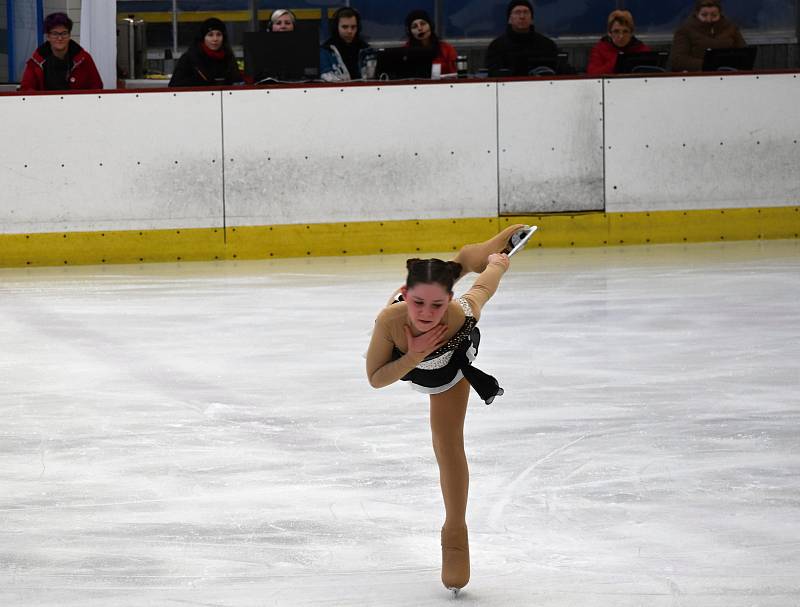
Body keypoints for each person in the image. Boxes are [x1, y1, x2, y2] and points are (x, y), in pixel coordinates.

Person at [366, 224, 532, 593]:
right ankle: (476, 251)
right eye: (418, 303)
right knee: (454, 264)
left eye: (436, 304)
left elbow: (483, 288)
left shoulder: (459, 315)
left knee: (446, 442)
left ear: (448, 301)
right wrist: (412, 356)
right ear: (405, 296)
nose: (426, 314)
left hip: (450, 365)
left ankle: (455, 528)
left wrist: (498, 264)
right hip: (410, 358)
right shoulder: (389, 321)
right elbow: (376, 378)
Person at [20, 12, 103, 92]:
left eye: (64, 33)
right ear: (48, 36)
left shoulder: (84, 58)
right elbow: (26, 89)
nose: (60, 38)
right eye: (55, 34)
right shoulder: (36, 60)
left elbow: (97, 86)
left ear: (69, 35)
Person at [486, 0, 560, 76]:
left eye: (526, 12)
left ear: (532, 19)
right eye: (517, 12)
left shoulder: (547, 45)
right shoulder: (496, 47)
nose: (522, 16)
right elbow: (492, 77)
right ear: (509, 19)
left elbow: (560, 72)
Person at [670, 0, 746, 72]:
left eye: (714, 15)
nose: (709, 19)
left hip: (729, 74)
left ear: (720, 14)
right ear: (697, 14)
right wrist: (708, 64)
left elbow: (744, 54)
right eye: (704, 15)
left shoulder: (731, 28)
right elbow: (677, 60)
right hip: (698, 76)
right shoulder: (685, 30)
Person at [169, 17, 243, 87]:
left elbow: (237, 81)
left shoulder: (228, 57)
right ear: (203, 38)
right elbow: (174, 85)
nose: (215, 39)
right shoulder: (189, 58)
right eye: (210, 35)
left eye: (219, 34)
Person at [587, 10, 652, 75]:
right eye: (616, 31)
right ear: (609, 33)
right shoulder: (599, 50)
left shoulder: (642, 50)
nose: (621, 36)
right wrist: (618, 60)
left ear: (631, 33)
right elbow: (592, 75)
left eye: (625, 31)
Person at [320, 7, 371, 82]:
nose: (350, 31)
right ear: (336, 27)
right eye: (345, 27)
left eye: (353, 27)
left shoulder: (366, 49)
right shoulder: (325, 51)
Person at [404, 10, 458, 76]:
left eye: (423, 24)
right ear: (410, 32)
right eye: (414, 26)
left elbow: (455, 76)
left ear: (430, 25)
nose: (420, 28)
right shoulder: (405, 50)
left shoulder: (447, 49)